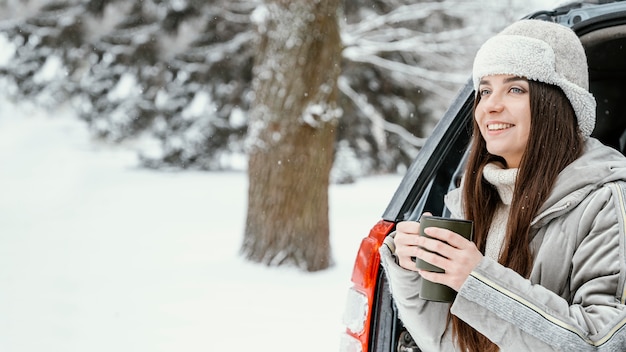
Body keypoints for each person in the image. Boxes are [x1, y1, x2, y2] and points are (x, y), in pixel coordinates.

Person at [379, 19, 626, 352]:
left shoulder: (607, 199)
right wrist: (410, 274)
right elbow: (452, 344)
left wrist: (478, 281)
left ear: (558, 103)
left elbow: (604, 342)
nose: (490, 105)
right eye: (484, 90)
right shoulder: (473, 200)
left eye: (515, 89)